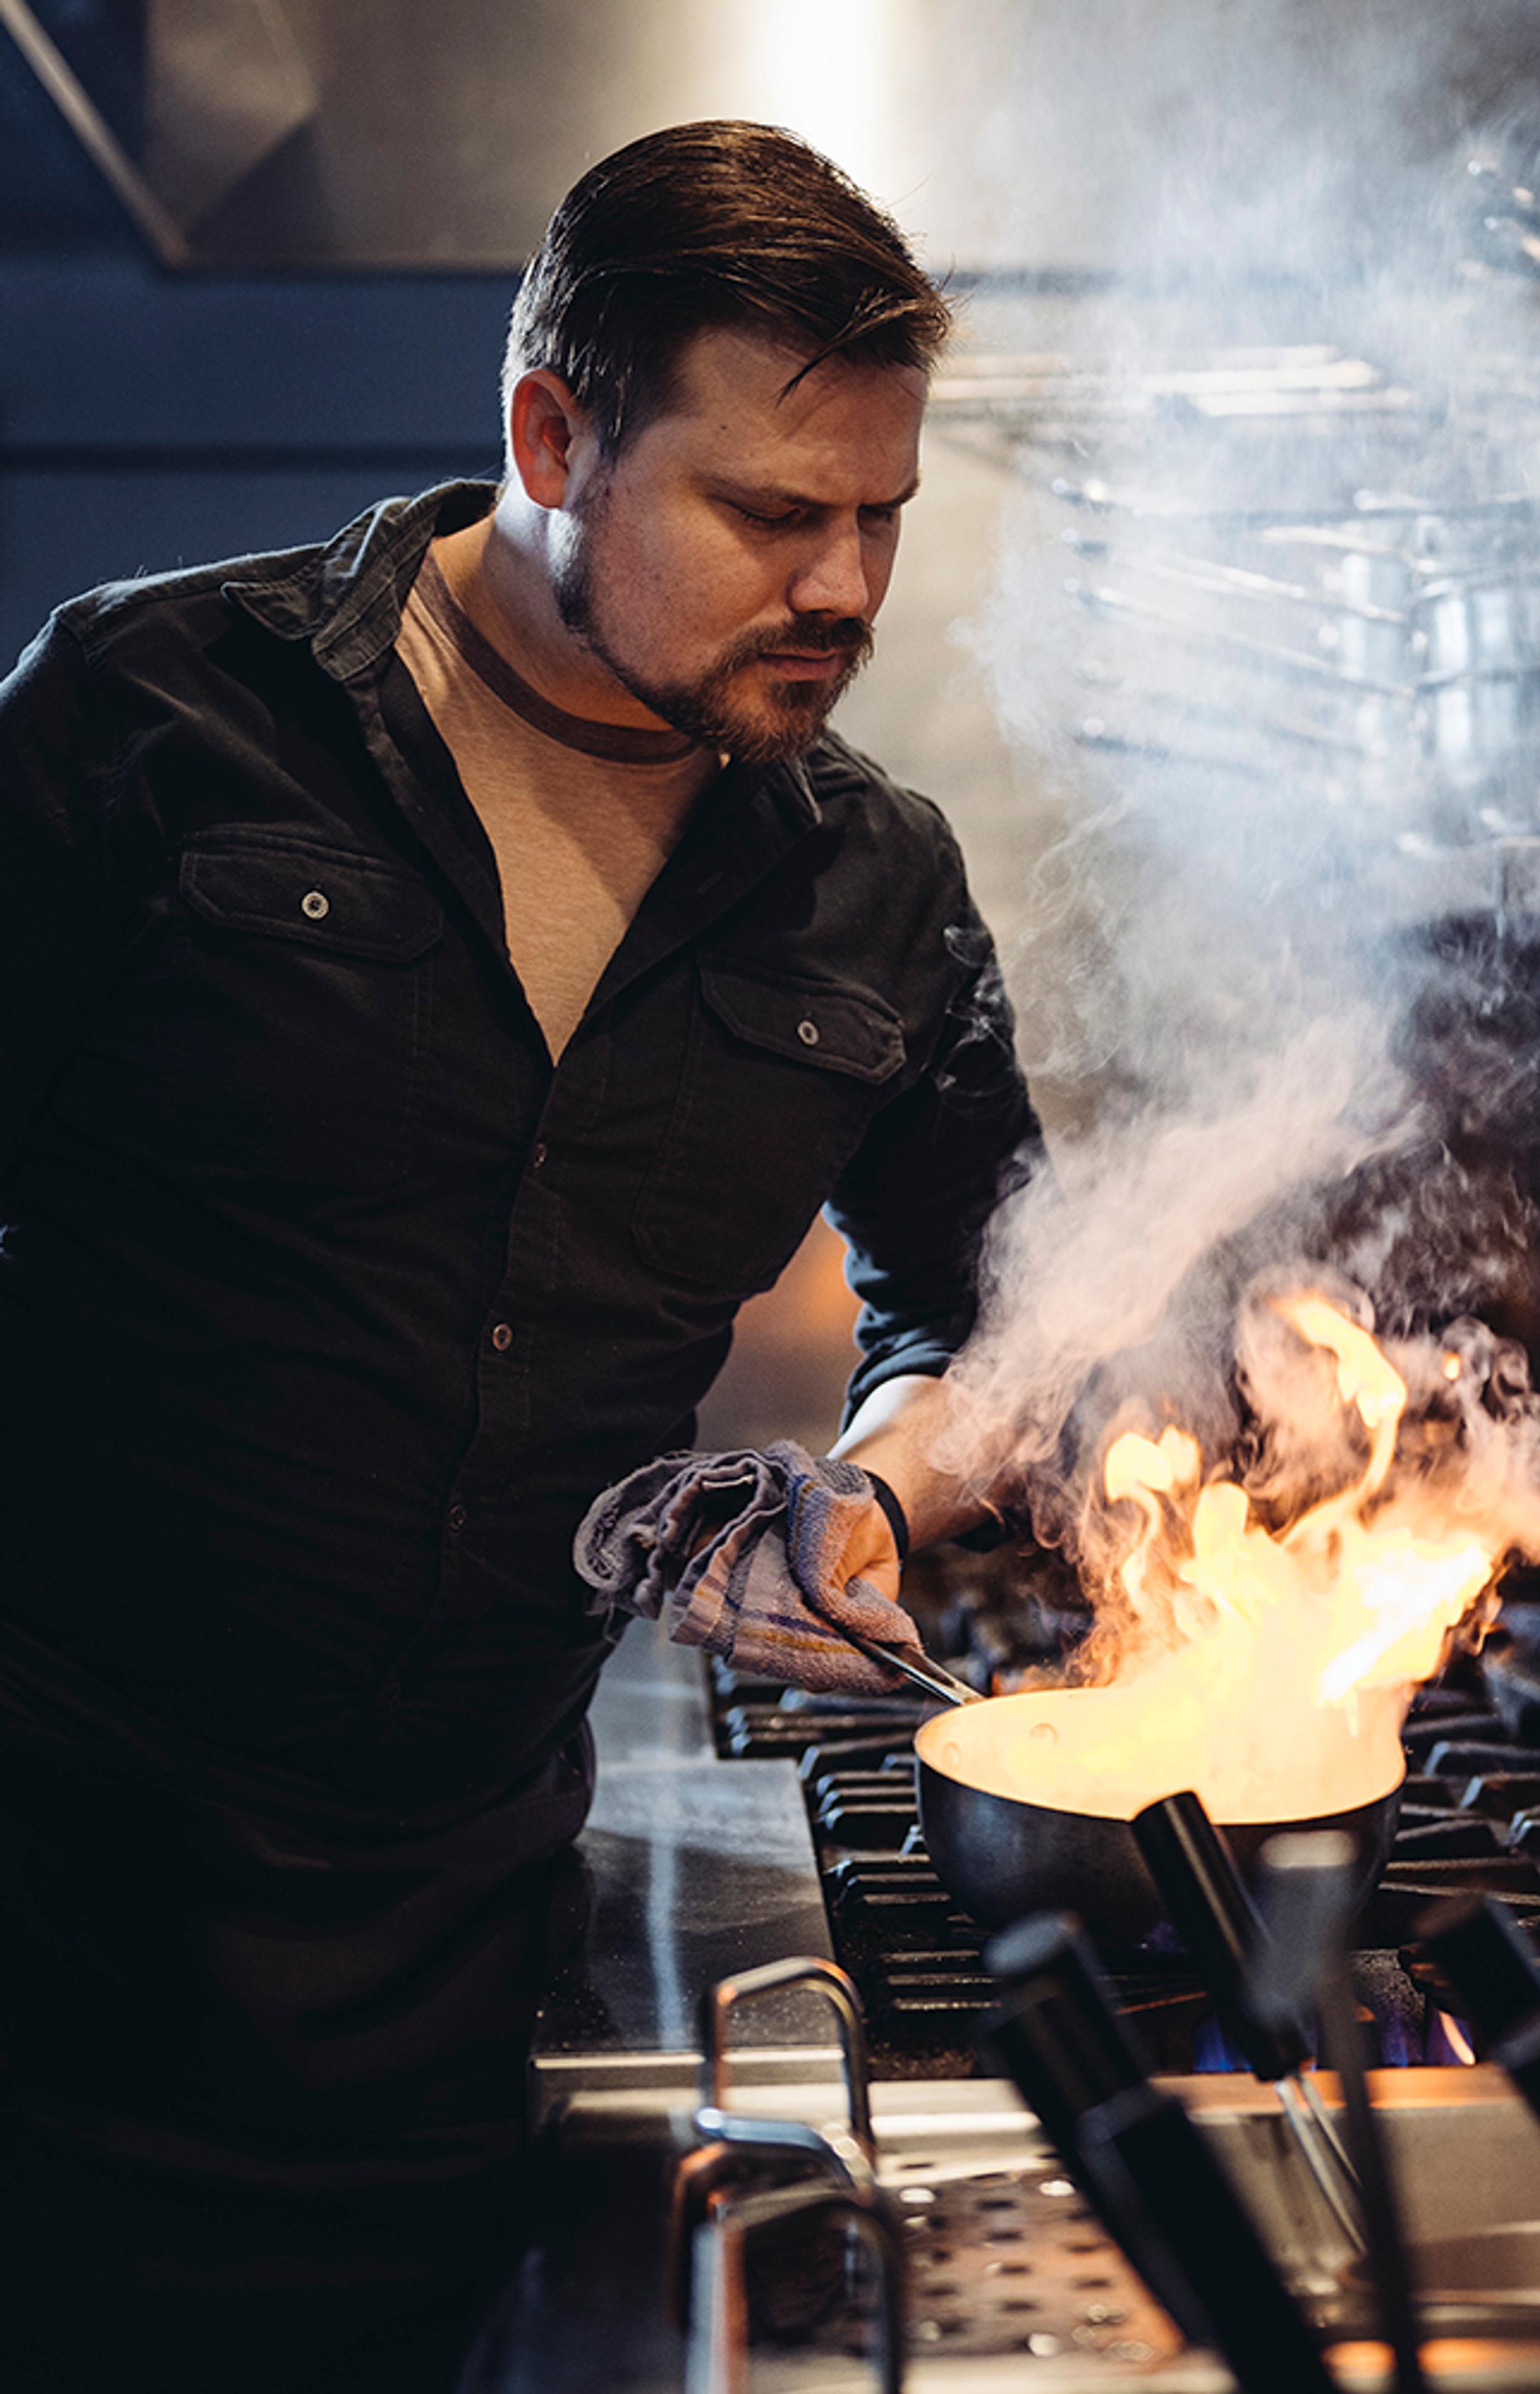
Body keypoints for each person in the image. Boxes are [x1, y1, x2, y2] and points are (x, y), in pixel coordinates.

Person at [0, 120, 1034, 2388]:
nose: (849, 587)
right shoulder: (152, 724)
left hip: (440, 1975)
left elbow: (990, 1305)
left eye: (883, 518)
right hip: (47, 1923)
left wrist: (872, 1488)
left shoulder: (875, 887)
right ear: (550, 434)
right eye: (774, 516)